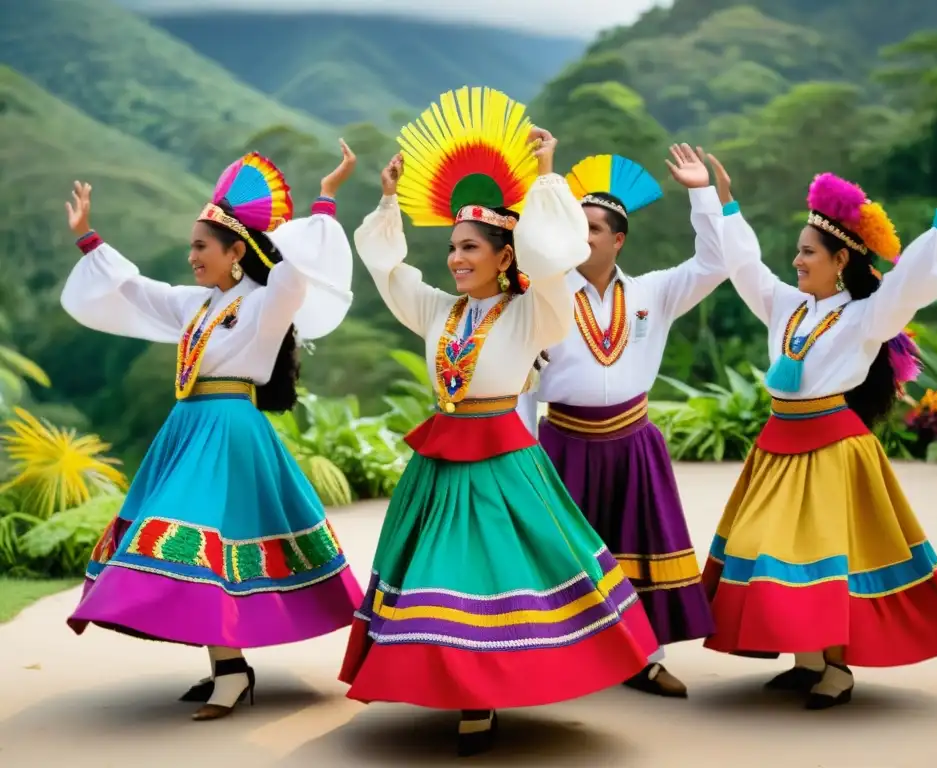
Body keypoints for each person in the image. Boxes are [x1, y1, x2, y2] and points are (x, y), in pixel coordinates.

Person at [339, 86, 658, 757]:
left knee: (498, 572)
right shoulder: (437, 312)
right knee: (441, 572)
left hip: (504, 459)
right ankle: (459, 686)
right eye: (452, 247)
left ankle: (484, 693)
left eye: (470, 248)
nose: (455, 258)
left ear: (505, 255)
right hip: (440, 461)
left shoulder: (535, 309)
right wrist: (389, 199)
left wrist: (546, 181)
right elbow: (388, 270)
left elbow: (553, 263)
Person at [61, 143, 365, 721]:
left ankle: (230, 671)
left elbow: (299, 272)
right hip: (188, 430)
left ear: (235, 252)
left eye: (202, 246)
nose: (192, 255)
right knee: (204, 549)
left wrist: (326, 198)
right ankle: (228, 668)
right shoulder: (198, 305)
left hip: (229, 433)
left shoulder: (266, 302)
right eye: (192, 246)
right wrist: (88, 238)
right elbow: (135, 288)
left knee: (196, 542)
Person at [699, 152, 937, 709]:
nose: (796, 260)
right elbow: (745, 268)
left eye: (808, 252)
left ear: (840, 260)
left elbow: (908, 285)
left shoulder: (867, 316)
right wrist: (725, 203)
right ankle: (806, 657)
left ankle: (836, 669)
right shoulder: (785, 305)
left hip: (833, 448)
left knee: (829, 555)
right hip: (779, 446)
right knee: (769, 548)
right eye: (798, 250)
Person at [515, 146, 726, 697]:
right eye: (575, 226)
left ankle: (644, 659)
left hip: (634, 442)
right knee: (564, 556)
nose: (581, 236)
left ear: (618, 239)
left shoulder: (653, 291)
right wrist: (519, 450)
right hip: (563, 443)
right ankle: (565, 661)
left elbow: (715, 263)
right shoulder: (543, 294)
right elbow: (522, 381)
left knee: (639, 550)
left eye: (591, 228)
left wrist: (700, 192)